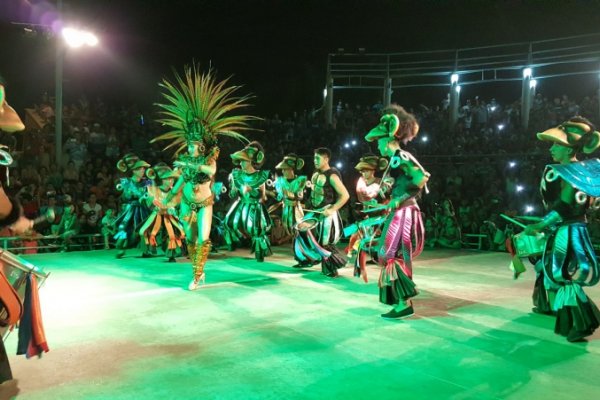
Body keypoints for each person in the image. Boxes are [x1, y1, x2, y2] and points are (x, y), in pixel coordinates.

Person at [152, 65, 254, 290]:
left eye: (194, 145)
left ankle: (197, 276)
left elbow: (210, 173)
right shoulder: (185, 161)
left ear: (201, 146)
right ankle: (197, 270)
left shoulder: (209, 160)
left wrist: (188, 163)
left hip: (205, 204)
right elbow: (180, 182)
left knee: (202, 239)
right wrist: (168, 200)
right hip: (187, 204)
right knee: (189, 239)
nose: (190, 148)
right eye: (189, 145)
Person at [523, 117, 600, 342]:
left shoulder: (568, 172)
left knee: (565, 274)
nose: (552, 148)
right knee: (559, 272)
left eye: (557, 145)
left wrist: (541, 224)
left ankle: (580, 323)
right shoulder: (584, 171)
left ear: (568, 150)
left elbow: (564, 206)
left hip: (567, 231)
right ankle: (571, 320)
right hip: (575, 228)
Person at [365, 104, 430, 319]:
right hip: (400, 212)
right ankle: (402, 301)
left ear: (388, 140)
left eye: (379, 142)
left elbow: (422, 178)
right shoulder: (393, 161)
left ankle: (404, 303)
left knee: (391, 253)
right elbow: (394, 184)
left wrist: (400, 199)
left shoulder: (401, 157)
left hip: (405, 212)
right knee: (390, 254)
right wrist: (379, 189)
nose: (378, 147)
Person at [225, 141, 273, 262]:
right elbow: (232, 193)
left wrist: (251, 190)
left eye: (243, 161)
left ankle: (259, 253)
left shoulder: (260, 176)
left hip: (254, 206)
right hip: (241, 204)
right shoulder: (236, 174)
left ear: (251, 161)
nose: (240, 163)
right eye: (240, 160)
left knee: (256, 229)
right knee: (228, 222)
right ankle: (237, 242)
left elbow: (263, 197)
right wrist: (233, 189)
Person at [308, 147, 349, 277]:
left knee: (326, 242)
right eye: (314, 158)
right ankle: (326, 268)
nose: (315, 160)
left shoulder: (332, 175)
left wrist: (331, 209)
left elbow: (345, 195)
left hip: (327, 214)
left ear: (326, 159)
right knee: (318, 242)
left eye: (317, 158)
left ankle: (331, 269)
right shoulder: (315, 173)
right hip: (317, 213)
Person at [347, 154, 389, 282]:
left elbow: (388, 200)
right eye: (362, 171)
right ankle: (360, 264)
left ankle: (384, 263)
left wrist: (382, 202)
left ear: (373, 170)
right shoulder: (361, 183)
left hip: (380, 216)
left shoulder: (381, 183)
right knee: (359, 238)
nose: (363, 173)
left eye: (366, 170)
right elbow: (363, 198)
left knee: (378, 242)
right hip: (366, 215)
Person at [272, 153, 314, 267]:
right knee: (294, 234)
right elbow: (278, 197)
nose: (283, 171)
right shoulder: (280, 181)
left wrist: (288, 194)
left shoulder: (300, 180)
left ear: (291, 169)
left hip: (296, 210)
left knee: (300, 233)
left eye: (285, 169)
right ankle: (301, 258)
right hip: (286, 210)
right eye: (283, 169)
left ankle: (308, 257)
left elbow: (299, 196)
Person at [139, 163, 185, 262]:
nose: (171, 180)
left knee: (172, 235)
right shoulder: (152, 189)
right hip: (156, 215)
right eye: (168, 178)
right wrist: (145, 199)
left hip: (169, 216)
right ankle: (147, 250)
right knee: (145, 231)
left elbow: (177, 204)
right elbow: (147, 202)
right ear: (161, 180)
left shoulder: (176, 192)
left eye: (172, 178)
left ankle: (171, 254)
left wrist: (173, 209)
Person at [113, 153, 151, 258]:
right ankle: (121, 247)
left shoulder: (147, 182)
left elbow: (153, 191)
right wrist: (125, 191)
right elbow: (120, 192)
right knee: (124, 228)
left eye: (143, 168)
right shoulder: (126, 182)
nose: (143, 170)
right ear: (133, 170)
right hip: (129, 209)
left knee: (144, 228)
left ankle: (146, 250)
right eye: (140, 169)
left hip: (143, 209)